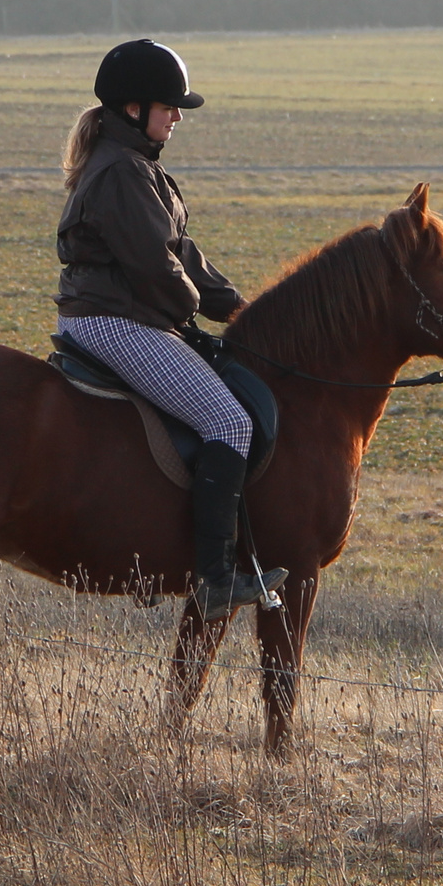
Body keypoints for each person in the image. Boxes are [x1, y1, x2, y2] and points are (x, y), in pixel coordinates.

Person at [55, 39, 284, 619]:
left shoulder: (135, 167)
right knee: (229, 422)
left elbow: (181, 251)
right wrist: (190, 313)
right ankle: (214, 576)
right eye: (170, 106)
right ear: (134, 109)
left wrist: (239, 308)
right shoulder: (121, 174)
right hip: (115, 324)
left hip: (131, 318)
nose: (178, 116)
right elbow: (157, 269)